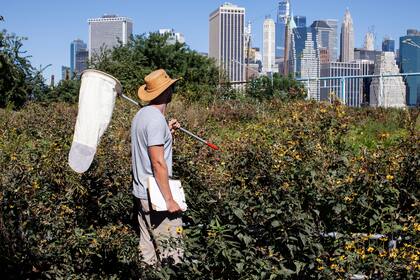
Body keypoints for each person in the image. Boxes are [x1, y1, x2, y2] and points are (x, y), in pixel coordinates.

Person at [131, 69, 183, 265]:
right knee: (172, 254)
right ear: (166, 92)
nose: (173, 90)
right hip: (157, 197)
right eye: (171, 87)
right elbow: (157, 162)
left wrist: (167, 131)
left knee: (148, 254)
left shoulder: (141, 116)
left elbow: (150, 146)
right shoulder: (154, 120)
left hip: (141, 193)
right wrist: (169, 200)